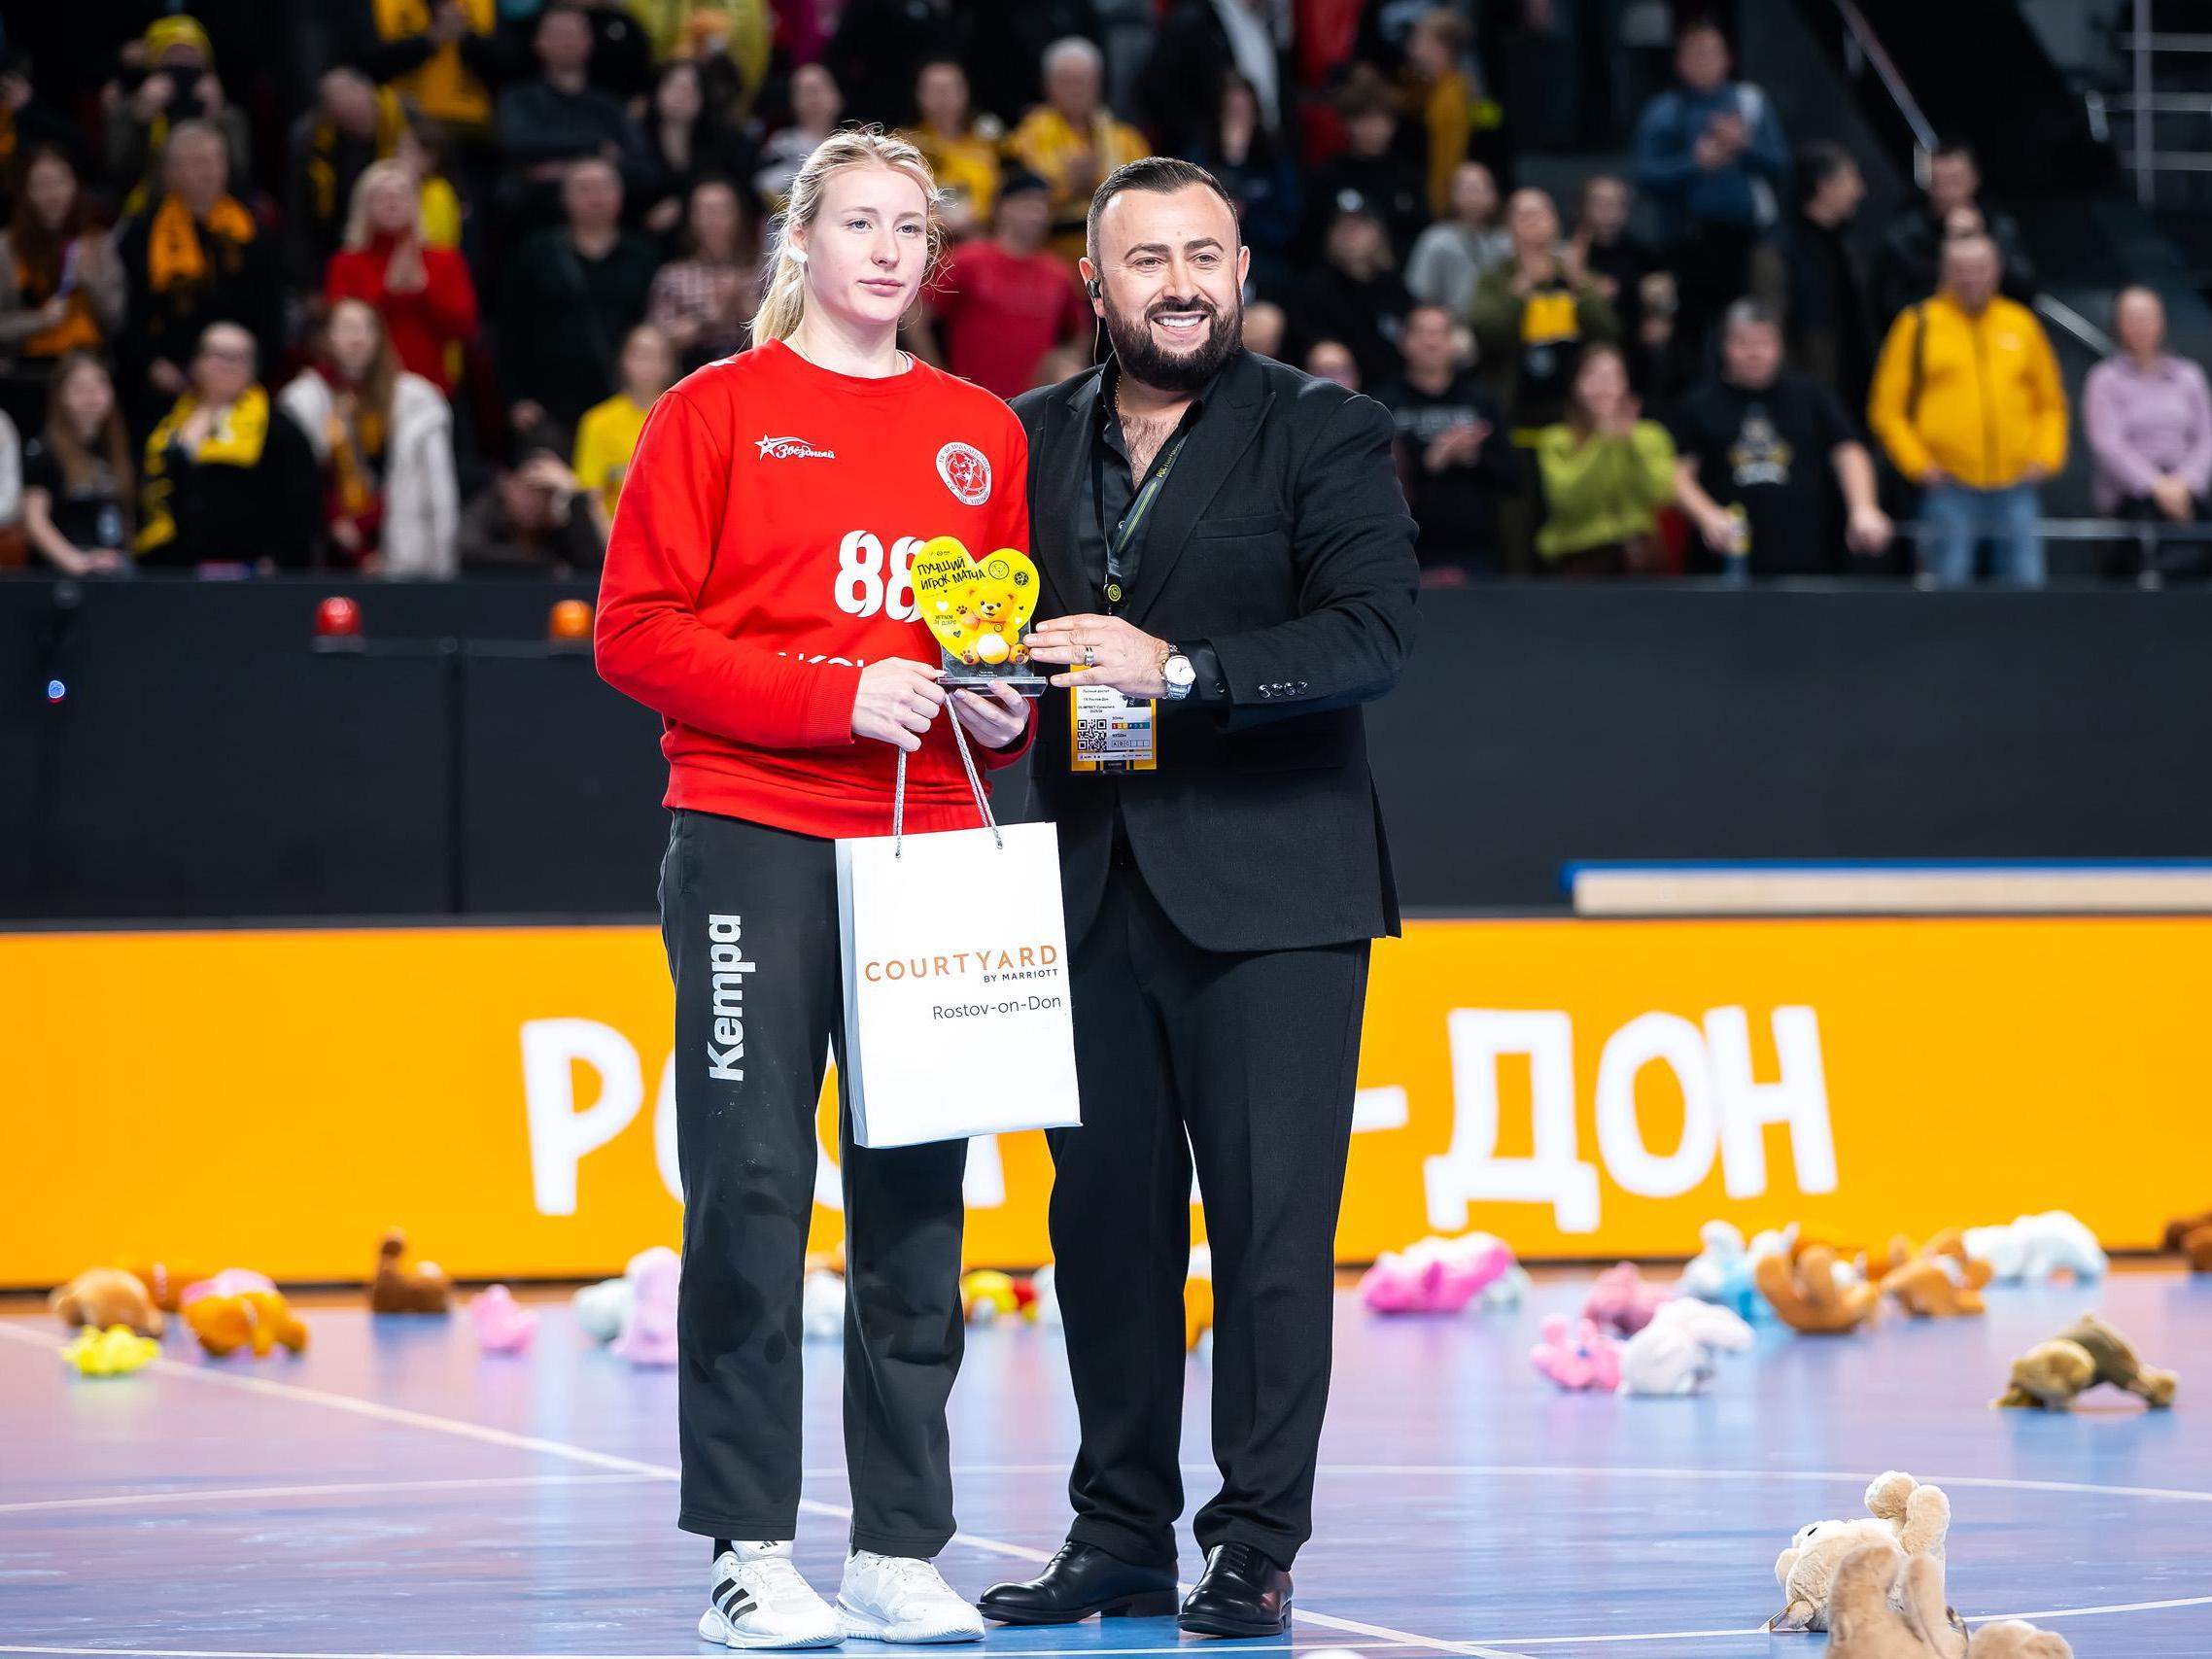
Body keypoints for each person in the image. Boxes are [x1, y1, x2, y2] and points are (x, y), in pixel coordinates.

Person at [594, 128, 1032, 1651]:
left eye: (914, 227)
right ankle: (747, 1547)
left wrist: (996, 710)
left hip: (933, 841)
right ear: (803, 239)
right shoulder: (713, 411)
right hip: (752, 830)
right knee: (755, 1185)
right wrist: (834, 696)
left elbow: (986, 652)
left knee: (918, 1200)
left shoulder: (981, 431)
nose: (890, 250)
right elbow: (634, 633)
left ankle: (900, 1547)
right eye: (861, 221)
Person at [980, 155, 1418, 1641]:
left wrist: (1179, 671)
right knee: (1103, 1231)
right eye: (1147, 259)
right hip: (1083, 882)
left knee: (1269, 1236)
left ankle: (1254, 1543)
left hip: (1275, 896)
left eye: (1205, 255)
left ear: (1242, 269)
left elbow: (1371, 633)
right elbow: (989, 627)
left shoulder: (1325, 428)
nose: (1180, 283)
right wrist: (985, 688)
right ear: (1093, 284)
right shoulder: (1019, 436)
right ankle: (1117, 1533)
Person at [1867, 234, 2066, 588]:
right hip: (1948, 486)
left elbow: (2051, 404)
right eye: (1959, 268)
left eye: (1979, 268)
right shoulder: (1918, 324)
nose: (1970, 277)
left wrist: (2046, 456)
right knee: (1948, 590)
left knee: (2027, 590)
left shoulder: (2021, 323)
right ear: (1943, 272)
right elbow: (1886, 410)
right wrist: (1918, 464)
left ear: (1996, 270)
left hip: (2017, 485)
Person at [1666, 300, 1891, 578]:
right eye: (1743, 343)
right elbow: (1677, 472)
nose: (1754, 353)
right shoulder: (1699, 404)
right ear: (1724, 346)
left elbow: (1848, 451)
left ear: (1779, 346)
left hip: (1806, 559)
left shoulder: (1810, 396)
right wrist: (1707, 515)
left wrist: (1863, 508)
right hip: (1726, 564)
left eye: (1763, 342)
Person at [114, 121, 284, 434]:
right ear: (171, 172)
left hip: (243, 378)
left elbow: (273, 312)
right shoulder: (141, 236)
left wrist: (246, 367)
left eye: (217, 159)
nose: (211, 171)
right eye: (197, 162)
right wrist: (152, 365)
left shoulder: (252, 230)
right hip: (167, 381)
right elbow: (126, 317)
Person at [1631, 18, 1787, 357]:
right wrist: (1695, 164)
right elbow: (1644, 175)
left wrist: (1744, 145)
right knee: (1685, 340)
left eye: (1711, 52)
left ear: (1728, 59)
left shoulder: (1749, 103)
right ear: (1679, 62)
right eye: (1694, 53)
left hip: (1745, 243)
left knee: (1744, 332)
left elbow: (1781, 166)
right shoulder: (1662, 111)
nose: (1703, 61)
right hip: (1684, 241)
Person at [281, 297, 459, 576]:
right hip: (326, 547)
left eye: (367, 328)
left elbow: (428, 486)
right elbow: (302, 481)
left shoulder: (416, 401)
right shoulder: (304, 401)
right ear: (326, 336)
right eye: (347, 328)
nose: (357, 337)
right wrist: (336, 523)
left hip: (399, 547)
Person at [498, 156, 662, 439]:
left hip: (626, 405)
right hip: (549, 406)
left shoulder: (644, 255)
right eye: (584, 188)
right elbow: (511, 327)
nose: (595, 197)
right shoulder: (537, 252)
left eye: (604, 187)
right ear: (564, 198)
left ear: (620, 194)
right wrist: (517, 397)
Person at [134, 321, 319, 570]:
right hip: (174, 568)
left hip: (250, 572)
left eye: (239, 357)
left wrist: (278, 559)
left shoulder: (278, 427)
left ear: (254, 368)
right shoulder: (166, 423)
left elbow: (300, 500)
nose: (228, 365)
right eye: (219, 355)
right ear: (196, 363)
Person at [1373, 302, 1517, 578]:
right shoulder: (1381, 404)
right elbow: (1369, 482)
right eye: (1422, 332)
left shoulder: (1482, 400)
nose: (1431, 342)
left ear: (1454, 342)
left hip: (1477, 551)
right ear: (1403, 342)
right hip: (1405, 550)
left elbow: (1513, 477)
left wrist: (1474, 458)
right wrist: (1428, 461)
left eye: (1440, 333)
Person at [2083, 286, 2212, 581]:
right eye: (2132, 318)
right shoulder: (2104, 379)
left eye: (2147, 317)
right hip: (2129, 502)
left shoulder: (2188, 376)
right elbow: (2108, 444)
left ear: (2162, 321)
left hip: (2186, 497)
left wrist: (2185, 483)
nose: (2140, 326)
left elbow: (2206, 437)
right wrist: (2156, 486)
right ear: (2118, 325)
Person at [924, 172, 1090, 399]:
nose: (1038, 213)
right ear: (1001, 207)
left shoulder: (1058, 273)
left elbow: (1081, 331)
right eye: (1027, 202)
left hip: (1034, 406)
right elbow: (917, 313)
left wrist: (1067, 361)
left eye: (1043, 204)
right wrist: (933, 373)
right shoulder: (968, 261)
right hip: (972, 401)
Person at [1469, 188, 1619, 436]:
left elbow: (1608, 333)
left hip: (1574, 416)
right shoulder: (1495, 279)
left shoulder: (1574, 275)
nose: (1532, 221)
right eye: (1523, 215)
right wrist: (1520, 290)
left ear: (1555, 222)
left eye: (1539, 213)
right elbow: (1486, 332)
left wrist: (1581, 285)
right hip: (1514, 409)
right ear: (1508, 227)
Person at [326, 159, 481, 397]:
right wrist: (389, 293)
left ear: (416, 203)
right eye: (382, 195)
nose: (393, 200)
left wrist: (423, 292)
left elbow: (466, 327)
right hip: (366, 391)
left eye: (402, 193)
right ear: (364, 205)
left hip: (432, 390)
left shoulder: (445, 260)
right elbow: (340, 331)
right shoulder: (346, 263)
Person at [494, 2, 647, 227]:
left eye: (574, 33)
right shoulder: (518, 98)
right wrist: (597, 149)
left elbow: (642, 168)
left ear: (589, 41)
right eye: (558, 33)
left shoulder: (609, 106)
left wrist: (562, 167)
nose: (567, 40)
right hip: (532, 219)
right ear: (538, 42)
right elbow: (517, 143)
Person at [1533, 342, 1675, 575]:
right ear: (1576, 385)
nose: (1604, 387)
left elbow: (1660, 494)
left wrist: (1630, 443)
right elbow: (1566, 501)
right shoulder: (1556, 439)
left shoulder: (1650, 435)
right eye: (1594, 376)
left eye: (1613, 377)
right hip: (1577, 559)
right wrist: (1601, 441)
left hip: (1640, 558)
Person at [1008, 37, 1150, 263]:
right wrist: (1068, 185)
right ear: (1047, 85)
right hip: (1052, 250)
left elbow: (1146, 198)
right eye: (1067, 81)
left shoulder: (1126, 138)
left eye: (1085, 80)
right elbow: (1020, 203)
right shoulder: (1027, 137)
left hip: (1118, 250)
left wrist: (1101, 184)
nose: (1077, 89)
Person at [103, 16, 254, 214]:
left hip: (215, 212)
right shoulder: (129, 110)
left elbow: (241, 180)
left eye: (190, 58)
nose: (181, 65)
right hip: (148, 212)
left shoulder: (230, 116)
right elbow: (120, 179)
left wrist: (216, 118)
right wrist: (141, 119)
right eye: (172, 57)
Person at [1875, 140, 2035, 325]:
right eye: (1939, 182)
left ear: (1974, 179)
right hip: (1932, 330)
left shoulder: (1998, 226)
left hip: (1995, 330)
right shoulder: (1904, 236)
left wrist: (1981, 239)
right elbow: (1889, 307)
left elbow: (2026, 290)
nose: (1948, 192)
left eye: (1956, 181)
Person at [0, 148, 126, 372]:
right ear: (25, 191)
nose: (53, 194)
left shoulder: (98, 242)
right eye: (41, 184)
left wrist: (91, 280)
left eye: (61, 181)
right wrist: (38, 320)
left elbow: (117, 321)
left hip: (89, 367)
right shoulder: (6, 248)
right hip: (23, 370)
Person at [1184, 73, 1301, 298]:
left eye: (1244, 112)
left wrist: (1247, 215)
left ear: (1256, 116)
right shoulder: (1198, 157)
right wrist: (1232, 160)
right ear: (1218, 115)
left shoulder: (1274, 158)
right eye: (1231, 112)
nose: (1238, 120)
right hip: (1209, 263)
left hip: (1264, 259)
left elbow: (1288, 223)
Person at [286, 69, 405, 288]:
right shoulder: (313, 140)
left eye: (359, 109)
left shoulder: (405, 120)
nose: (355, 119)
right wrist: (310, 283)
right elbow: (303, 217)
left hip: (403, 244)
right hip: (339, 240)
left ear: (371, 94)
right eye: (345, 115)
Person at [20, 353, 135, 575]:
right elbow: (34, 519)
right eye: (80, 388)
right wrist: (75, 561)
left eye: (99, 385)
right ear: (60, 395)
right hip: (66, 571)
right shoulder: (44, 452)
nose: (91, 395)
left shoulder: (114, 450)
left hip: (114, 565)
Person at [1784, 141, 1877, 411]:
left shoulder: (1848, 243)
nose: (1860, 191)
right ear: (1824, 186)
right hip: (1811, 395)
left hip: (1859, 387)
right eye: (1852, 180)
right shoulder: (1782, 248)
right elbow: (1774, 326)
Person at [1138, 0, 1290, 160]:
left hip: (1265, 155)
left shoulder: (1266, 21)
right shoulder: (1194, 19)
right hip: (1206, 161)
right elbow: (1154, 88)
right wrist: (1202, 138)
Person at [1296, 203, 1413, 396]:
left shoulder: (1394, 287)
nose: (1350, 233)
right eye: (1342, 225)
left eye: (1359, 225)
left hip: (1395, 393)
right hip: (1337, 395)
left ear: (1378, 232)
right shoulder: (1316, 288)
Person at [344, 0, 501, 141]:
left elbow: (506, 64)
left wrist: (466, 36)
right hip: (398, 123)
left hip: (473, 127)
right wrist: (429, 40)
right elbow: (362, 63)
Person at [1303, 83, 1428, 260]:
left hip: (1398, 269)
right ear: (1347, 123)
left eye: (1381, 119)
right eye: (1363, 119)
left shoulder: (1407, 176)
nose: (1373, 129)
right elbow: (1312, 235)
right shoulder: (1329, 177)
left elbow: (1421, 234)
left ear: (1393, 125)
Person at [646, 177, 760, 370]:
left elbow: (782, 335)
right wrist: (705, 318)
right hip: (690, 372)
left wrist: (742, 305)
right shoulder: (674, 276)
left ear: (739, 216)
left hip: (750, 370)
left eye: (722, 211)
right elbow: (656, 342)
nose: (714, 220)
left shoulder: (761, 273)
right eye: (706, 212)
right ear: (692, 219)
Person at [571, 322, 674, 534]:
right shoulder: (597, 422)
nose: (648, 365)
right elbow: (593, 497)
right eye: (641, 355)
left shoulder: (684, 417)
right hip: (620, 535)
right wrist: (614, 549)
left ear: (669, 365)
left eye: (657, 356)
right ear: (624, 361)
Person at [638, 58, 755, 243]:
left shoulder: (726, 143)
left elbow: (739, 194)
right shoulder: (635, 138)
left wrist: (683, 206)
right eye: (675, 86)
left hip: (710, 239)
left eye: (692, 89)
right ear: (658, 89)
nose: (683, 95)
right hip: (647, 239)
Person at [458, 442, 605, 571]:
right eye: (528, 488)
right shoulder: (488, 508)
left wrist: (575, 492)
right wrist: (546, 564)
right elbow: (470, 551)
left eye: (545, 493)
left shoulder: (557, 524)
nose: (533, 501)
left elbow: (592, 563)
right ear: (508, 483)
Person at [901, 59, 1002, 241]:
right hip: (925, 239)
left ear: (966, 92)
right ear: (919, 94)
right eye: (934, 89)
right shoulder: (905, 145)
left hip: (982, 239)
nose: (943, 96)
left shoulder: (988, 145)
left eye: (950, 88)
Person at [1404, 159, 1509, 321]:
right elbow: (1421, 295)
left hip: (1499, 325)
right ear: (1451, 195)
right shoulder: (1435, 240)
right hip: (1450, 327)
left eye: (1482, 187)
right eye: (1467, 188)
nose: (1475, 195)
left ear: (1495, 194)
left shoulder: (1506, 241)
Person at [1571, 173, 1650, 339]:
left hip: (1631, 335)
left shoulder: (1642, 253)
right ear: (1582, 207)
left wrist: (1657, 316)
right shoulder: (1570, 251)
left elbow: (1658, 287)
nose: (1605, 209)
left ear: (1624, 210)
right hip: (1582, 336)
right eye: (1598, 202)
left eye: (1612, 203)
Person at [753, 62, 844, 210]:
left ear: (838, 97)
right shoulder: (780, 144)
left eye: (819, 89)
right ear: (793, 102)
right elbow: (765, 186)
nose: (813, 97)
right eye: (805, 91)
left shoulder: (854, 144)